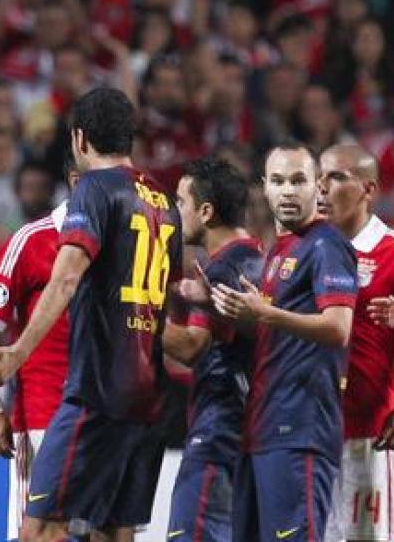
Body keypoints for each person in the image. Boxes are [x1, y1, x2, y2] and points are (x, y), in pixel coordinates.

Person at [0, 87, 183, 542]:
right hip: (147, 396)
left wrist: (18, 351)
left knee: (41, 530)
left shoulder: (93, 188)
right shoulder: (164, 204)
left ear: (79, 140)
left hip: (96, 391)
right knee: (113, 531)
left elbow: (66, 278)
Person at [208, 143, 359, 542]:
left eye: (298, 180)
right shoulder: (282, 249)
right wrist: (238, 312)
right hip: (264, 427)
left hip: (301, 428)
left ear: (318, 186)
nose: (287, 191)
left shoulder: (327, 244)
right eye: (277, 181)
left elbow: (338, 326)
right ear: (264, 187)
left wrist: (266, 313)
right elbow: (275, 330)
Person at [315, 144, 394, 542]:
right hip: (313, 428)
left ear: (369, 189)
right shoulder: (308, 247)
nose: (322, 188)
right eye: (320, 177)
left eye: (338, 177)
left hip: (372, 429)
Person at [0, 164, 79, 541]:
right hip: (42, 416)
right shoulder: (32, 240)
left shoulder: (117, 244)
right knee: (36, 532)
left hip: (101, 417)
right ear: (77, 181)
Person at [162, 156, 262, 542]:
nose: (175, 212)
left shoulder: (223, 270)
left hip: (220, 432)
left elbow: (191, 346)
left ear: (206, 211)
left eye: (181, 202)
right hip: (245, 431)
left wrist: (135, 316)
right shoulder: (254, 259)